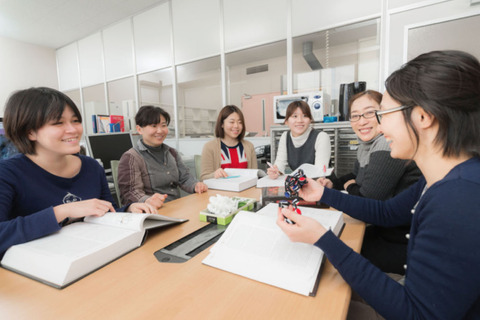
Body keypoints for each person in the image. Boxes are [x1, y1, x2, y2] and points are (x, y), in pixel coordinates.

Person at [277, 50, 480, 319]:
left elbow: (415, 313)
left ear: (423, 116)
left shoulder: (460, 198)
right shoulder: (439, 180)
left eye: (383, 114)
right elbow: (385, 213)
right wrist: (323, 192)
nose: (380, 128)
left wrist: (323, 239)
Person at [0, 87, 155, 258]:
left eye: (75, 121)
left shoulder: (91, 167)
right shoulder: (7, 173)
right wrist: (62, 211)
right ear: (29, 131)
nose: (73, 129)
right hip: (36, 271)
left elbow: (106, 212)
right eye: (58, 123)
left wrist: (129, 210)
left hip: (90, 258)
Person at [321, 90, 422, 274]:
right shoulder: (366, 145)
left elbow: (368, 197)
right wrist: (333, 184)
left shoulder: (386, 144)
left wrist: (348, 186)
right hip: (387, 226)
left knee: (331, 259)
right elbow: (356, 176)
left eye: (369, 113)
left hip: (400, 238)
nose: (361, 121)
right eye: (355, 116)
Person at [118, 106, 207, 208]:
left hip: (176, 207)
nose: (160, 131)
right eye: (154, 126)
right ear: (139, 129)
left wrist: (196, 185)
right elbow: (129, 192)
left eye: (163, 125)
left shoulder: (171, 152)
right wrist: (147, 200)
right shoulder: (131, 157)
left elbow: (185, 178)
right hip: (152, 213)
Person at [266, 100, 330, 179]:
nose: (300, 120)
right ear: (286, 121)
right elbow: (280, 164)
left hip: (322, 184)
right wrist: (275, 172)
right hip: (300, 184)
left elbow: (320, 173)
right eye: (295, 116)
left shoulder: (321, 137)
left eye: (305, 116)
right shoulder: (285, 136)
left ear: (310, 120)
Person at [200, 105, 257, 180]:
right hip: (220, 191)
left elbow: (255, 175)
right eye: (232, 122)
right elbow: (203, 178)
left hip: (245, 190)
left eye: (240, 122)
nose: (236, 126)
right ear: (222, 124)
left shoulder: (249, 146)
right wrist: (215, 175)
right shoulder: (209, 147)